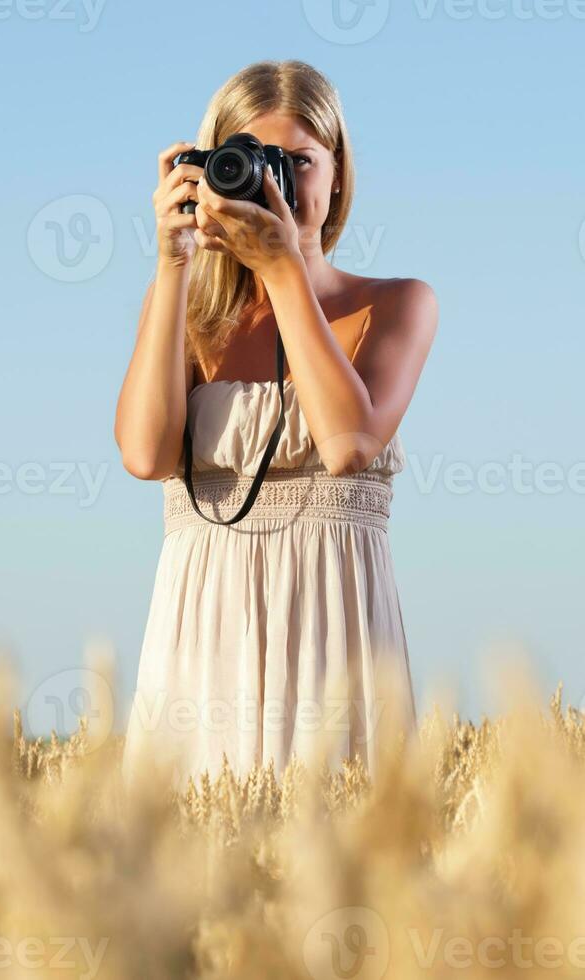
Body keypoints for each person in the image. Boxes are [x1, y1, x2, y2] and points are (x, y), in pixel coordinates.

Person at [115, 59, 438, 794]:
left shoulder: (396, 303)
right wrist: (172, 266)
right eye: (252, 160)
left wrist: (287, 267)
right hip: (202, 634)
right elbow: (144, 453)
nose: (277, 181)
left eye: (298, 161)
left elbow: (350, 442)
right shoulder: (189, 316)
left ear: (338, 170)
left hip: (334, 629)